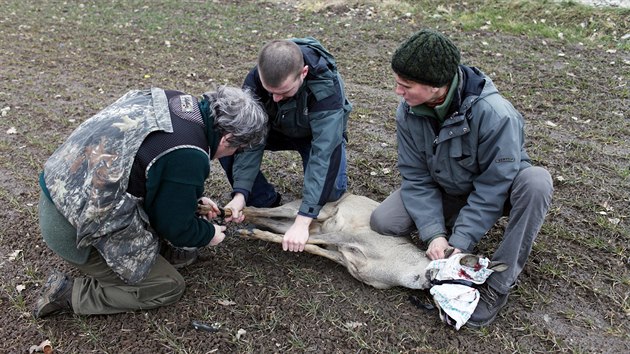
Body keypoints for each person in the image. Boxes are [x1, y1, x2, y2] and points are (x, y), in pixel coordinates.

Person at [370, 29, 553, 327]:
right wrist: (434, 234)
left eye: (406, 85)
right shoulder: (408, 112)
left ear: (437, 87)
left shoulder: (496, 115)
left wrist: (461, 240)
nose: (398, 92)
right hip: (448, 189)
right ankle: (449, 226)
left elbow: (494, 186)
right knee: (383, 222)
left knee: (537, 182)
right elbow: (416, 177)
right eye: (397, 83)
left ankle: (497, 286)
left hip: (499, 192)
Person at [33, 86, 268, 318]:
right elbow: (176, 227)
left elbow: (148, 168)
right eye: (238, 149)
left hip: (59, 190)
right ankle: (68, 293)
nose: (234, 154)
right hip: (72, 230)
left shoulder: (176, 102)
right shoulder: (189, 154)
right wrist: (207, 234)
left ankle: (155, 253)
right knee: (166, 286)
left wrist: (191, 200)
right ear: (227, 139)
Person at [219, 37, 352, 253]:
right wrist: (240, 194)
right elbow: (251, 136)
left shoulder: (327, 88)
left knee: (331, 193)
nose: (276, 98)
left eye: (284, 92)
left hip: (314, 136)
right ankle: (265, 201)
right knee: (229, 143)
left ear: (304, 73)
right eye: (271, 92)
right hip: (274, 130)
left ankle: (308, 207)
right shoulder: (256, 79)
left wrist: (303, 220)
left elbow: (324, 153)